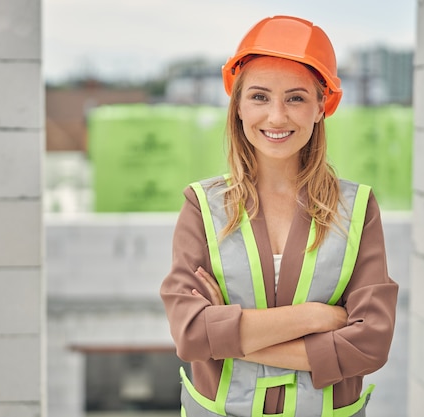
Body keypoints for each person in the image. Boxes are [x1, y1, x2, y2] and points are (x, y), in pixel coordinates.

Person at [160, 15, 398, 417]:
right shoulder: (202, 205)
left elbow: (369, 344)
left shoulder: (357, 210)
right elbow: (190, 333)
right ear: (237, 105)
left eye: (295, 98)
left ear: (322, 106)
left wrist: (227, 335)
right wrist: (316, 317)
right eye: (259, 97)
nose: (276, 117)